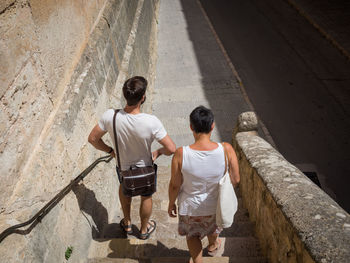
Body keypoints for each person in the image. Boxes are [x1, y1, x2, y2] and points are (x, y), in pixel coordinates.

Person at [88, 76, 176, 239]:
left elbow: (93, 139)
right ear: (142, 98)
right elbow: (171, 148)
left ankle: (127, 222)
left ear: (125, 95)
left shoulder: (110, 116)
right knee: (146, 196)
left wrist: (110, 151)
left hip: (123, 168)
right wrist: (158, 152)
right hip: (146, 169)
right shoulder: (151, 122)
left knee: (124, 188)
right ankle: (143, 230)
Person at [168, 106, 240, 263]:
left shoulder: (181, 153)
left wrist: (171, 203)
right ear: (212, 125)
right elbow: (236, 179)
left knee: (192, 236)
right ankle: (213, 245)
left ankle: (198, 261)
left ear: (191, 127)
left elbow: (175, 185)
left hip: (190, 207)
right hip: (215, 204)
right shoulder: (226, 149)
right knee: (213, 227)